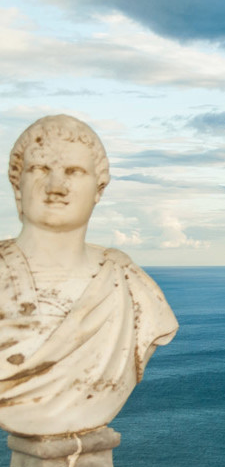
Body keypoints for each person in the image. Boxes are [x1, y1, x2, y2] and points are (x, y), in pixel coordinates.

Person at [0, 115, 177, 436]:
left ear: (99, 189)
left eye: (73, 171)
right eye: (40, 169)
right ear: (17, 184)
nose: (56, 187)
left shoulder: (128, 284)